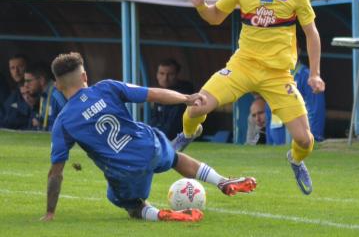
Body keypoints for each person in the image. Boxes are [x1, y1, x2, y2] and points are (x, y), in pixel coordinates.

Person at [177, 0, 325, 195]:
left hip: (278, 74)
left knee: (304, 140)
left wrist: (314, 74)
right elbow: (215, 18)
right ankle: (188, 134)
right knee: (197, 105)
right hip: (242, 66)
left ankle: (296, 159)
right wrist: (201, 6)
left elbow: (311, 33)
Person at [41, 52, 256, 222]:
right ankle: (222, 181)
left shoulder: (63, 121)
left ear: (58, 85)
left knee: (127, 201)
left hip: (125, 169)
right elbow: (152, 93)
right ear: (85, 76)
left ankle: (160, 214)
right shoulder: (106, 87)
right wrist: (186, 98)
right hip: (149, 144)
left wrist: (50, 212)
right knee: (175, 159)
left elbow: (55, 173)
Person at [265, 46, 326, 144]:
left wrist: (314, 139)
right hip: (276, 142)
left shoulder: (307, 76)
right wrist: (269, 142)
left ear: (298, 50)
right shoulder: (272, 77)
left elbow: (316, 110)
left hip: (299, 142)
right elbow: (269, 110)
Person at [151, 58, 194, 140]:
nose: (165, 78)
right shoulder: (159, 91)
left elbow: (174, 124)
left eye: (170, 74)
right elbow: (155, 118)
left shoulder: (184, 93)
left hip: (178, 138)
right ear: (157, 74)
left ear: (177, 75)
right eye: (162, 73)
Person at [24, 62, 67, 131]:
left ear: (41, 80)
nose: (25, 85)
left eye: (29, 81)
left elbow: (68, 121)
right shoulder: (43, 94)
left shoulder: (57, 94)